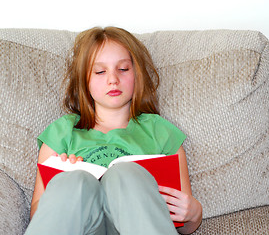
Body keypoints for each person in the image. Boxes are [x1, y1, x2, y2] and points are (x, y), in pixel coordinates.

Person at [26, 27, 202, 235]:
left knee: (126, 174)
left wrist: (194, 214)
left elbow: (184, 223)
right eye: (100, 71)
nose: (113, 79)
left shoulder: (161, 132)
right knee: (72, 181)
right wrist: (61, 183)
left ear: (137, 74)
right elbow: (37, 215)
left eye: (123, 69)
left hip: (140, 225)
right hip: (82, 227)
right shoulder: (62, 132)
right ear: (84, 80)